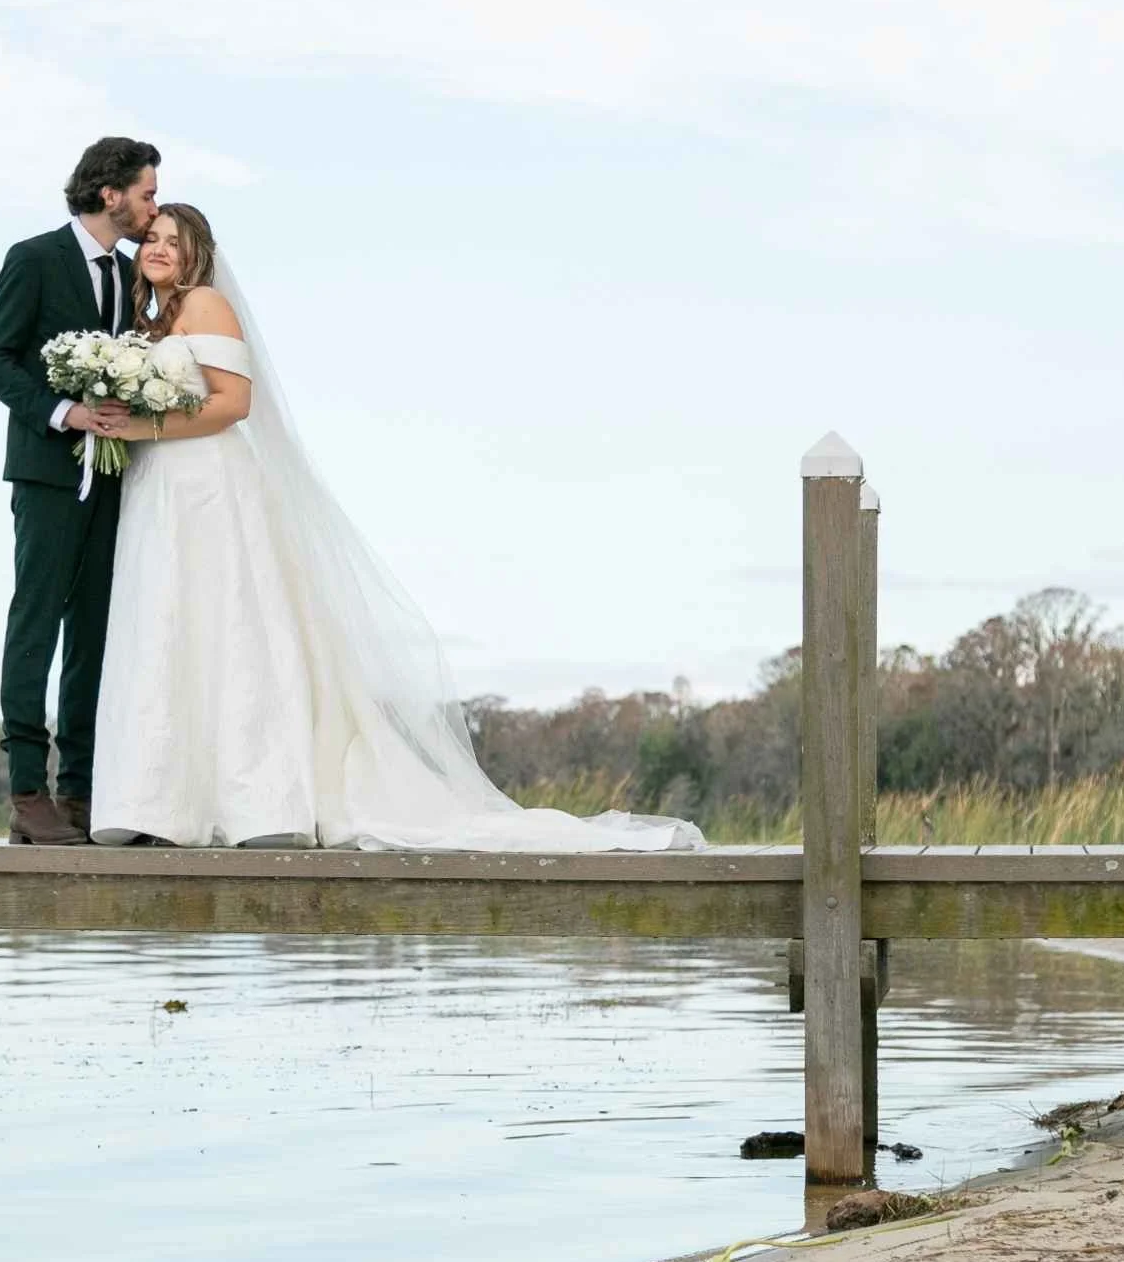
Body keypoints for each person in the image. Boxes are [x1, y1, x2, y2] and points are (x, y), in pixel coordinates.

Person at [81, 204, 703, 852]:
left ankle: (254, 799)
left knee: (228, 626)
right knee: (168, 629)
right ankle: (164, 800)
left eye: (172, 242)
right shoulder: (146, 324)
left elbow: (235, 402)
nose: (157, 248)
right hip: (159, 493)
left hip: (210, 488)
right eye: (150, 238)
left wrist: (140, 426)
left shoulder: (207, 304)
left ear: (196, 254)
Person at [0, 136, 159, 845]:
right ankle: (28, 793)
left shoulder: (135, 271)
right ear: (109, 192)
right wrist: (64, 412)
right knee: (37, 624)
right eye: (145, 192)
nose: (152, 206)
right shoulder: (33, 259)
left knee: (95, 632)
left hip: (114, 477)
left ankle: (81, 791)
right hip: (48, 472)